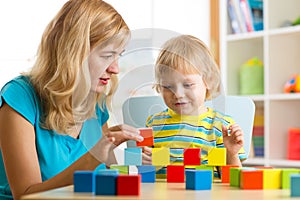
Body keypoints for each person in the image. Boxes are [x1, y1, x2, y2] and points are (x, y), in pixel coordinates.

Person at [0, 1, 145, 199]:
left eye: (119, 56)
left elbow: (108, 178)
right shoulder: (20, 96)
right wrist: (90, 160)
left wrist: (136, 162)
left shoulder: (96, 104)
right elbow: (25, 195)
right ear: (74, 52)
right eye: (107, 55)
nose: (115, 69)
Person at [145, 35, 246, 170]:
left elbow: (230, 178)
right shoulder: (153, 124)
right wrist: (149, 163)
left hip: (207, 191)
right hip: (163, 190)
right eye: (168, 86)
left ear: (208, 81)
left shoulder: (221, 126)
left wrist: (231, 153)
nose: (178, 94)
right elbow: (145, 172)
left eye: (187, 85)